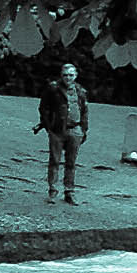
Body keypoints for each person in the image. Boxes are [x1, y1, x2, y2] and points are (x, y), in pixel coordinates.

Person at [34, 62, 89, 205]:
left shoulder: (80, 91)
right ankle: (52, 190)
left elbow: (84, 111)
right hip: (57, 130)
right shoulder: (53, 89)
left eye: (71, 75)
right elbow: (43, 108)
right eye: (65, 75)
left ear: (75, 76)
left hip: (75, 129)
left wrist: (83, 130)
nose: (68, 78)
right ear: (61, 75)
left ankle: (69, 191)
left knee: (71, 162)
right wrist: (48, 126)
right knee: (55, 161)